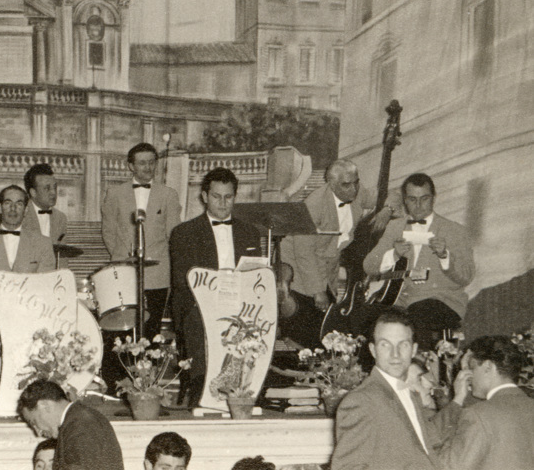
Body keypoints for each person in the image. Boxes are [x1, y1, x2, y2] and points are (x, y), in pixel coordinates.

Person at [169, 167, 262, 407]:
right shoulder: (184, 233)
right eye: (216, 196)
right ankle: (203, 393)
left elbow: (257, 276)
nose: (222, 203)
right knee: (197, 323)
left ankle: (250, 391)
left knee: (258, 323)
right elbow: (182, 280)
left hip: (241, 306)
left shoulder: (250, 233)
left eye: (228, 197)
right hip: (201, 305)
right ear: (204, 196)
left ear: (235, 196)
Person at [331, 309, 466, 470]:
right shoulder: (361, 400)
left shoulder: (409, 394)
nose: (395, 354)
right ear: (373, 350)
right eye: (385, 345)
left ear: (414, 350)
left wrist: (458, 399)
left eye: (403, 345)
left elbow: (430, 437)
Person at [279, 159, 392, 348]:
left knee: (328, 328)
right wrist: (318, 291)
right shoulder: (314, 204)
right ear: (331, 184)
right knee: (310, 331)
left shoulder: (356, 191)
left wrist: (388, 209)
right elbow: (304, 253)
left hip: (325, 266)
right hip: (299, 270)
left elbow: (389, 195)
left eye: (356, 182)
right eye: (346, 185)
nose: (353, 190)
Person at [363, 173, 474, 349]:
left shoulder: (454, 230)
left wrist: (445, 256)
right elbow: (369, 265)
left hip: (443, 300)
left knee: (418, 315)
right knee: (369, 317)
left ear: (434, 198)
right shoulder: (395, 227)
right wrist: (394, 254)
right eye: (412, 199)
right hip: (402, 301)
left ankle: (419, 371)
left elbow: (466, 276)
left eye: (424, 198)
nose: (418, 205)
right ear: (405, 201)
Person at [0, 185, 56, 402]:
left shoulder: (43, 243)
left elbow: (44, 286)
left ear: (26, 209)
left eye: (19, 203)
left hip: (28, 321)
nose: (13, 208)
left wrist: (20, 316)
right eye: (8, 203)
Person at [101, 142, 182, 340]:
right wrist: (122, 257)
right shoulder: (115, 194)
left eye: (152, 163)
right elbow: (109, 232)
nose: (148, 168)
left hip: (157, 274)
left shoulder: (168, 195)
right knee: (123, 332)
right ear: (131, 166)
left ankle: (149, 370)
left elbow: (174, 234)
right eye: (142, 163)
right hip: (123, 271)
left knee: (151, 330)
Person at [436, 335, 534, 470]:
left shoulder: (478, 415)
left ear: (488, 366)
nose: (469, 375)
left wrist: (457, 399)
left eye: (472, 368)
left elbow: (448, 466)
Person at [18, 380, 124, 470]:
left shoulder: (81, 425)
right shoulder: (77, 420)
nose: (38, 432)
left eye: (34, 422)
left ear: (45, 405)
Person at [23, 163, 69, 246]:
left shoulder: (61, 218)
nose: (53, 193)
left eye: (54, 187)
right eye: (47, 188)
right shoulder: (21, 215)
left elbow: (62, 255)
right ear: (33, 192)